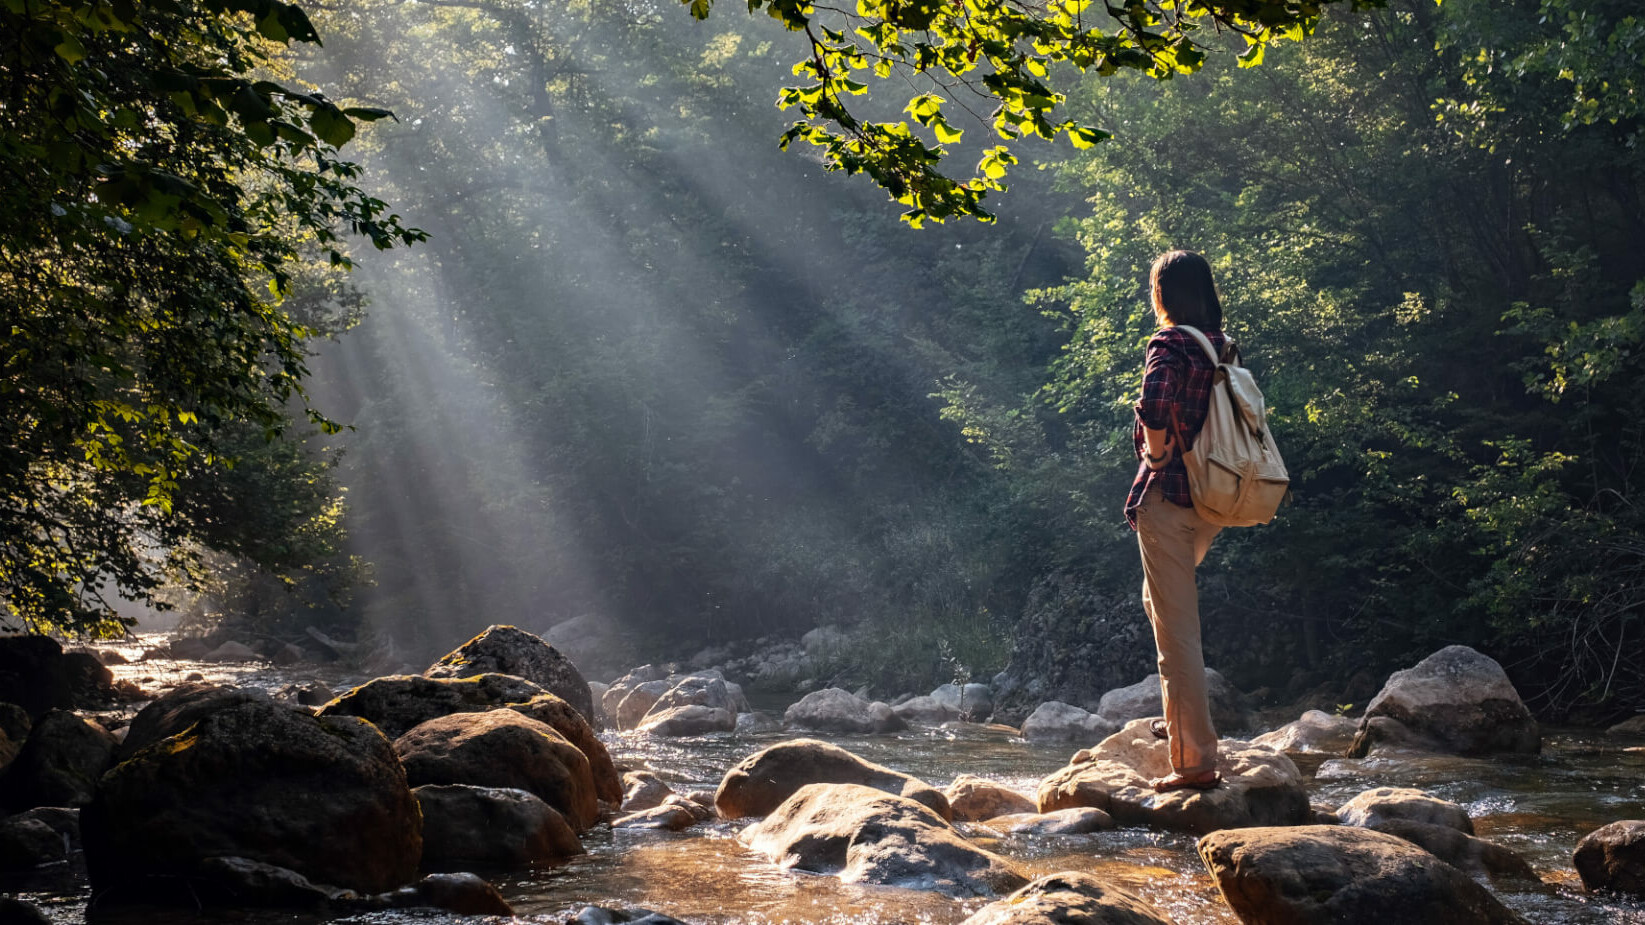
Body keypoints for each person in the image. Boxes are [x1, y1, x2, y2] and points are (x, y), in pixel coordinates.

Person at [1124, 249, 1230, 793]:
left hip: (1167, 497)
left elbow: (1153, 400)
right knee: (1157, 602)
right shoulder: (1221, 347)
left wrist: (1159, 453)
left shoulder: (1170, 343)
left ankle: (1193, 764)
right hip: (1210, 500)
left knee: (1176, 637)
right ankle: (1183, 720)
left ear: (1162, 294)